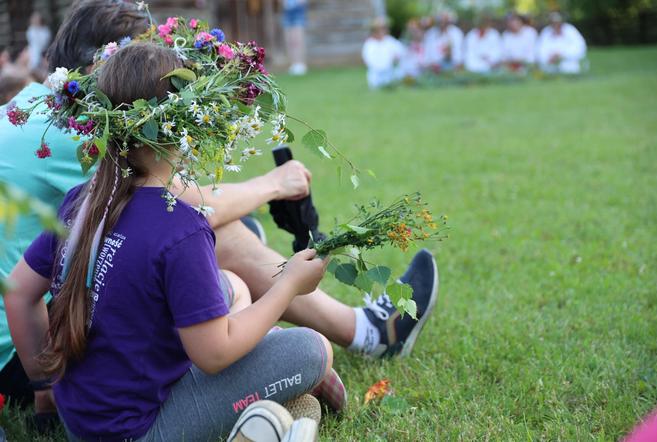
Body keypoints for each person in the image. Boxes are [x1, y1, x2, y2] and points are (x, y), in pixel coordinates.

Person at [0, 0, 439, 419]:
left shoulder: (31, 114)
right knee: (228, 250)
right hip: (30, 354)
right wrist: (273, 202)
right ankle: (363, 331)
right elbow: (189, 208)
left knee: (226, 255)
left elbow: (22, 285)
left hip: (64, 343)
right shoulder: (88, 133)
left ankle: (300, 338)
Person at [5, 42, 335, 441]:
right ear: (186, 125)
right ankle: (262, 425)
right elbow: (213, 354)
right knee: (313, 350)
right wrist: (287, 286)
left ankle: (276, 417)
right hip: (139, 430)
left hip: (83, 421)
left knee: (232, 287)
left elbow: (20, 291)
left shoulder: (83, 201)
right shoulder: (180, 228)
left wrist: (46, 385)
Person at [361, 17, 405, 89]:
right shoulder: (370, 43)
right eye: (379, 29)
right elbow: (368, 59)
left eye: (384, 29)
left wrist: (396, 56)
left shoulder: (390, 40)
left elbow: (401, 51)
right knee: (376, 85)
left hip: (390, 70)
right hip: (376, 73)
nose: (382, 31)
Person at [281, 0, 308, 75]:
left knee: (298, 40)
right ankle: (293, 64)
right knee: (289, 40)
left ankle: (301, 64)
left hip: (298, 10)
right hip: (287, 11)